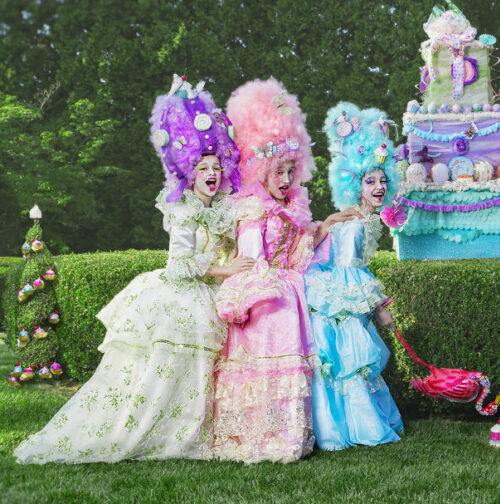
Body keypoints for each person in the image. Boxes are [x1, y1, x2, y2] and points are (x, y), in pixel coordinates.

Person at [14, 75, 249, 464]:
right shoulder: (183, 209)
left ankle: (189, 432)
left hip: (205, 296)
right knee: (161, 373)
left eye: (216, 167)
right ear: (189, 173)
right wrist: (228, 272)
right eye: (203, 167)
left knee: (196, 373)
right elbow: (179, 266)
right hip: (178, 297)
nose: (211, 173)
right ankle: (152, 432)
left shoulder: (221, 208)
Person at [212, 78, 358, 463]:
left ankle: (289, 433)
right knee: (266, 352)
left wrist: (323, 226)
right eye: (278, 171)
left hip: (287, 289)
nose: (286, 180)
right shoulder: (251, 209)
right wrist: (266, 283)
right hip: (265, 292)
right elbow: (252, 259)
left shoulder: (294, 209)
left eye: (291, 171)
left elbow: (297, 257)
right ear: (261, 170)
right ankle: (258, 435)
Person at [304, 102, 403, 450]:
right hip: (339, 304)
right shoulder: (354, 221)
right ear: (354, 184)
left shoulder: (363, 218)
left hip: (341, 295)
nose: (378, 186)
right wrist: (379, 308)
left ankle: (343, 427)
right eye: (369, 180)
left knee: (349, 369)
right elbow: (350, 270)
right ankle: (358, 428)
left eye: (382, 180)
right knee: (350, 364)